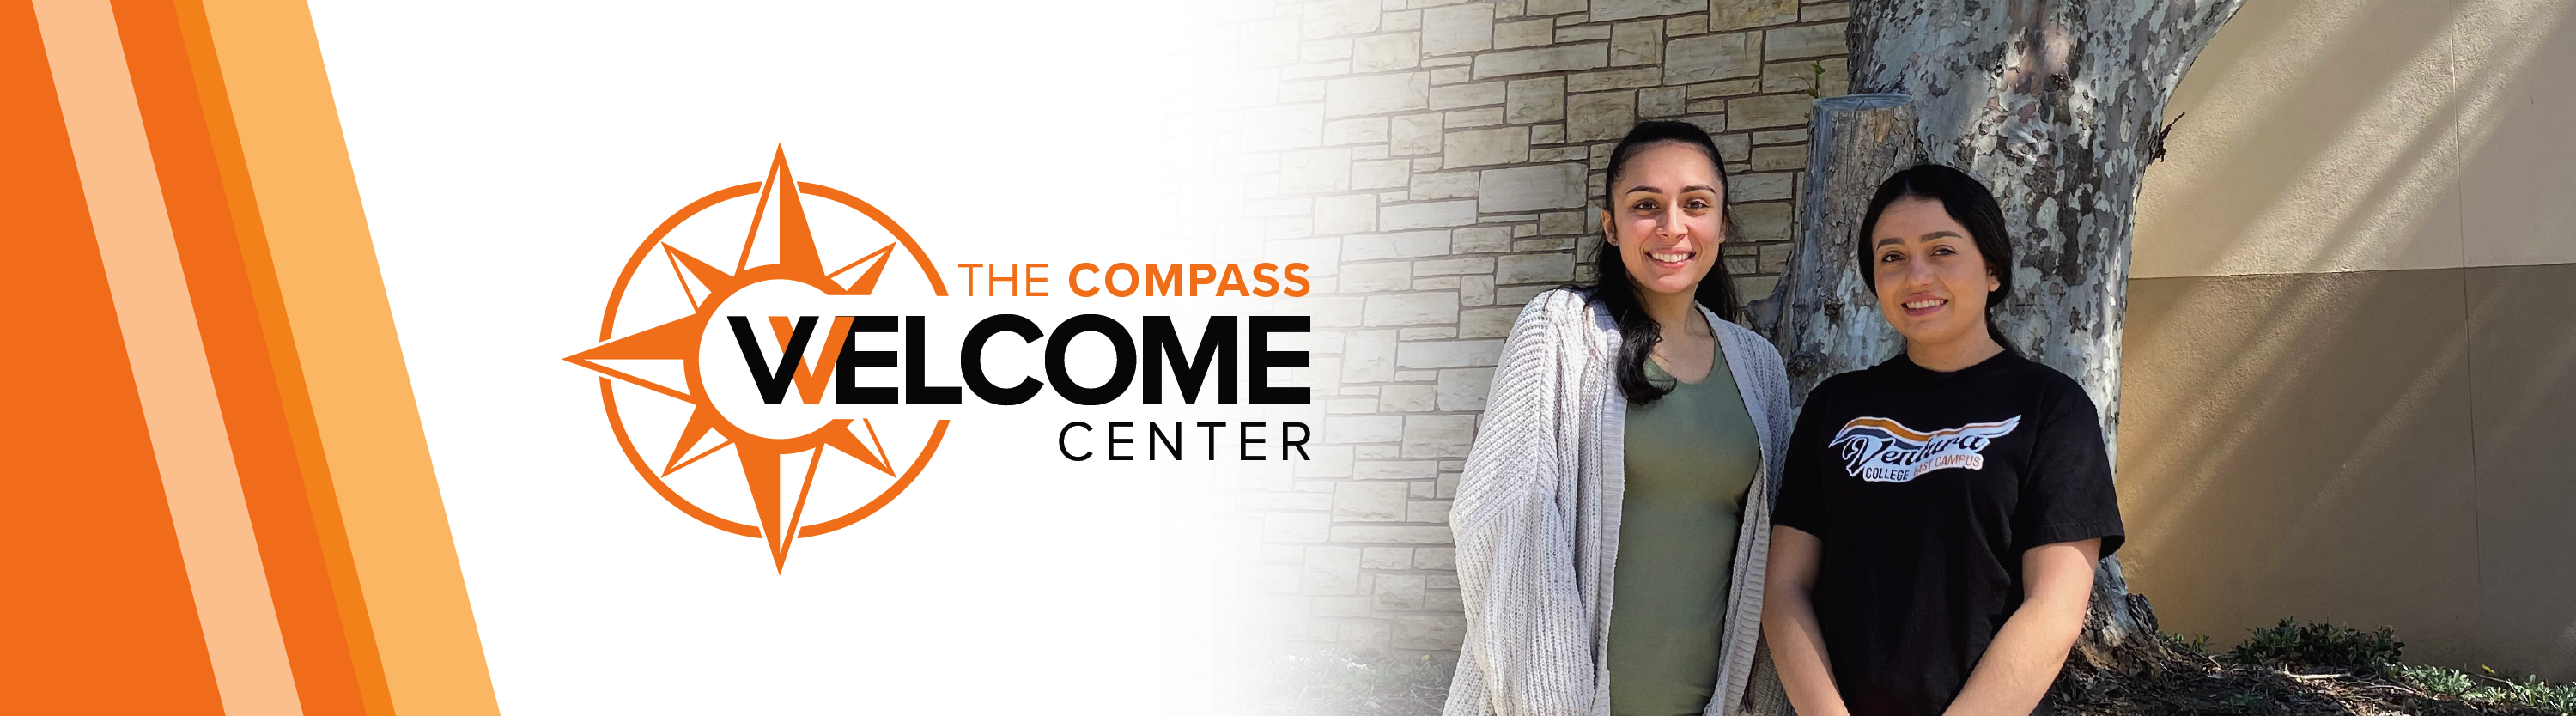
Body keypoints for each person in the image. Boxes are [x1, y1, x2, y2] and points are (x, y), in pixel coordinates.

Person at [1445, 120, 1794, 716]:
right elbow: (1508, 517)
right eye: (1645, 206)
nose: (1672, 226)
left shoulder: (1759, 367)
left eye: (1695, 204)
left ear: (1722, 223)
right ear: (1611, 225)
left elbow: (1772, 555)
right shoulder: (1558, 329)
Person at [1760, 164, 2126, 716]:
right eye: (1892, 257)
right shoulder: (1835, 407)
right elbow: (1784, 586)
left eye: (1942, 251)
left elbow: (2054, 608)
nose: (1916, 276)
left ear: (1994, 269)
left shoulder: (2052, 408)